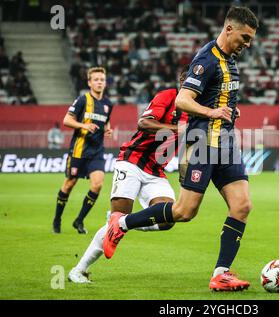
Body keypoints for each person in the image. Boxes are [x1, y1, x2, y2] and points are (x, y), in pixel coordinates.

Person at [103, 6, 258, 292]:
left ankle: (221, 274)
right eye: (245, 37)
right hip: (202, 144)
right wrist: (212, 114)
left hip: (225, 144)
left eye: (250, 40)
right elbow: (183, 101)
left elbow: (219, 100)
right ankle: (122, 224)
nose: (247, 44)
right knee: (185, 211)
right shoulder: (206, 60)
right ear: (229, 29)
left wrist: (228, 113)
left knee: (242, 205)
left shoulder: (230, 62)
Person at [68, 69, 189, 283]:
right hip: (132, 161)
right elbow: (144, 123)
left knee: (169, 217)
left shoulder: (195, 110)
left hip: (155, 171)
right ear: (182, 82)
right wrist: (177, 129)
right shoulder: (167, 96)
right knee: (114, 226)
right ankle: (79, 270)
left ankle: (123, 221)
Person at [52, 67, 113, 234]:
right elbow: (66, 120)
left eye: (102, 79)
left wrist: (108, 129)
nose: (99, 82)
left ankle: (79, 220)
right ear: (89, 82)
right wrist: (84, 125)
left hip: (97, 152)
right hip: (79, 150)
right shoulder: (82, 100)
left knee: (97, 185)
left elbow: (106, 121)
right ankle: (57, 220)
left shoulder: (108, 104)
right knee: (69, 184)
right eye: (96, 79)